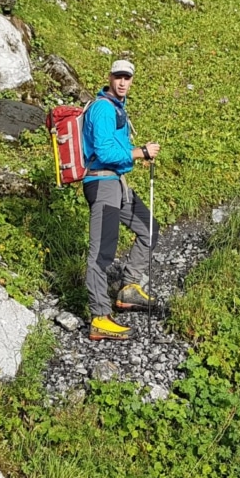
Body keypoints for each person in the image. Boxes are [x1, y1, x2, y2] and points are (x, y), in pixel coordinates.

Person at [81, 59, 160, 340]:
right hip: (102, 183)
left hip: (118, 183)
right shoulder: (103, 108)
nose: (123, 82)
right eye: (118, 77)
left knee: (149, 229)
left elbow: (117, 149)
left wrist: (137, 155)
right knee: (101, 253)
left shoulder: (118, 109)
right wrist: (139, 152)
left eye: (127, 77)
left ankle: (128, 289)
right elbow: (103, 151)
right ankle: (100, 317)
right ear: (109, 77)